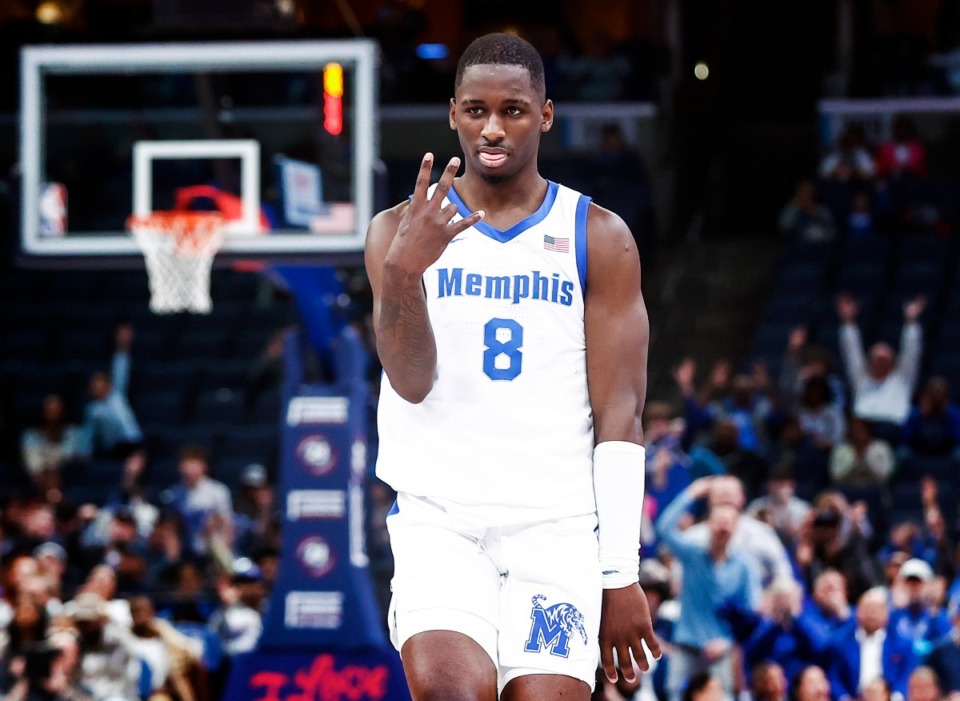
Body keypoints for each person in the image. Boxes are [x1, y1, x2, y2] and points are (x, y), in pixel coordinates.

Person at [364, 32, 660, 701]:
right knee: (450, 692)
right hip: (443, 520)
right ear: (452, 114)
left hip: (555, 529)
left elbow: (621, 411)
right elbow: (410, 381)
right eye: (476, 110)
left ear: (545, 114)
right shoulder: (396, 231)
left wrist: (620, 573)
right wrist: (408, 272)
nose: (492, 127)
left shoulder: (599, 236)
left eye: (513, 110)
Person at [656, 478, 759, 701]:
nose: (723, 527)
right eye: (718, 521)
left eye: (728, 522)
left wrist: (728, 642)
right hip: (686, 645)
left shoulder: (744, 565)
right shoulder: (693, 555)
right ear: (709, 524)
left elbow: (751, 615)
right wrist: (691, 494)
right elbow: (664, 528)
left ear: (736, 526)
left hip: (721, 650)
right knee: (674, 693)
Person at [836, 294, 925, 427]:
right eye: (877, 359)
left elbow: (911, 353)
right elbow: (851, 352)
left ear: (893, 363)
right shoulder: (861, 379)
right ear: (869, 362)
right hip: (865, 431)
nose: (880, 363)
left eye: (884, 360)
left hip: (894, 430)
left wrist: (911, 322)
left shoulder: (902, 380)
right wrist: (848, 322)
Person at [826, 587, 918, 701]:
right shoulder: (840, 642)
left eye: (877, 610)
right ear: (857, 612)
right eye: (868, 609)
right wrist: (844, 698)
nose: (872, 615)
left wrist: (896, 697)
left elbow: (907, 675)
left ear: (886, 614)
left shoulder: (902, 644)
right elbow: (834, 677)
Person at [82, 325, 143, 459]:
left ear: (108, 385)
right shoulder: (93, 410)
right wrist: (84, 452)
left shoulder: (117, 395)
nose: (98, 389)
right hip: (116, 448)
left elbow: (121, 368)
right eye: (95, 387)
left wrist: (122, 344)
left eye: (101, 385)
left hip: (134, 441)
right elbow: (88, 433)